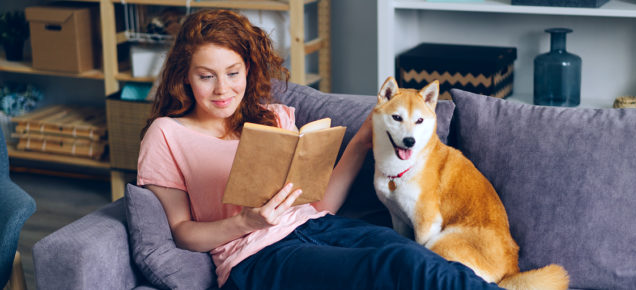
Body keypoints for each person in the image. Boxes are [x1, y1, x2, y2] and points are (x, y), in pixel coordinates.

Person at [137, 8, 501, 290]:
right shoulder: (167, 134)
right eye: (206, 76)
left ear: (247, 69)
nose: (222, 89)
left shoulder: (273, 117)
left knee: (412, 255)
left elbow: (318, 205)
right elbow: (182, 232)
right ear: (184, 75)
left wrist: (361, 142)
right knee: (396, 267)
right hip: (256, 258)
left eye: (233, 73)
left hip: (317, 226)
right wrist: (245, 221)